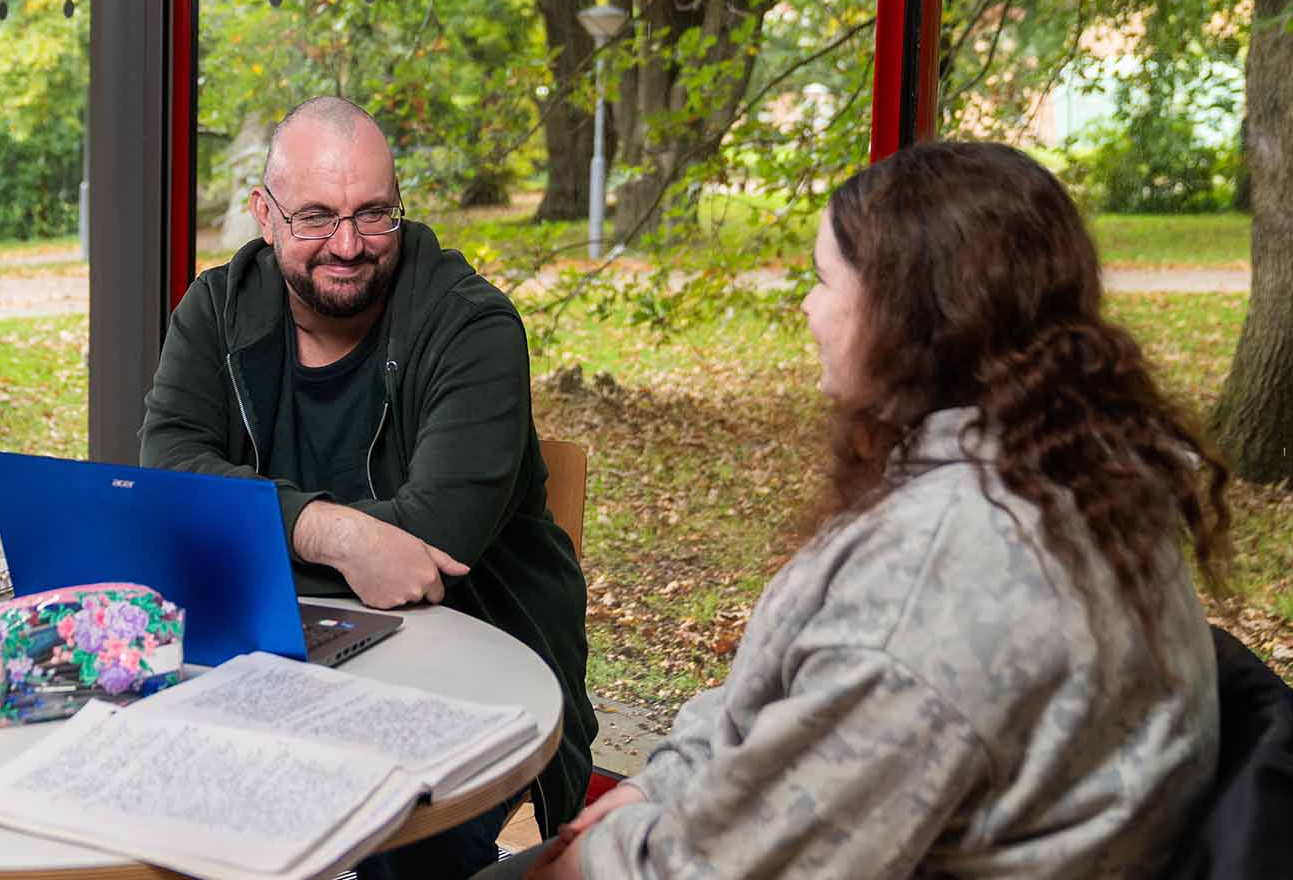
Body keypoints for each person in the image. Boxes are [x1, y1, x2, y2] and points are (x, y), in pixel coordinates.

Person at [484, 140, 1230, 879]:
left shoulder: (937, 589)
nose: (807, 308)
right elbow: (781, 698)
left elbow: (732, 869)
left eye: (822, 281)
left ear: (912, 317)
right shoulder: (1067, 470)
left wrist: (592, 859)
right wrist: (653, 786)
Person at [140, 96, 596, 878]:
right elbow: (167, 471)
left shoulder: (471, 327)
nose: (347, 246)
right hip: (274, 662)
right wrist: (334, 532)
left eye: (373, 214)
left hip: (472, 679)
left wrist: (239, 530)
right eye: (315, 217)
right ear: (266, 214)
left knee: (356, 836)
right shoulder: (215, 308)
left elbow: (428, 555)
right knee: (158, 800)